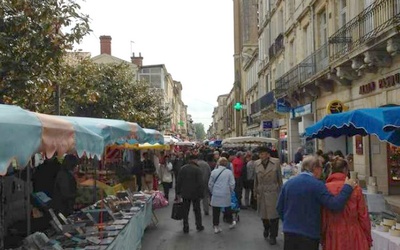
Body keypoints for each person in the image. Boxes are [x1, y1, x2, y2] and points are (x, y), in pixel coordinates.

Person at [276, 155, 357, 250]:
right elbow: (335, 204)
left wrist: (289, 222)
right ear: (315, 168)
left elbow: (279, 207)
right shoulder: (317, 185)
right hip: (309, 233)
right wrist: (347, 187)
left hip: (289, 232)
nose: (322, 171)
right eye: (321, 168)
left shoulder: (289, 183)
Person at [322, 157, 372, 250]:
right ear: (345, 170)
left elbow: (323, 217)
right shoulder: (355, 188)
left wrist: (323, 237)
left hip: (333, 235)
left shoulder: (325, 188)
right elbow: (363, 216)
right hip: (354, 234)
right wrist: (368, 238)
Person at [254, 146, 282, 245]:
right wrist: (255, 192)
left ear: (268, 154)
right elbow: (255, 180)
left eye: (263, 154)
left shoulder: (276, 162)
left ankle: (273, 236)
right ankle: (266, 228)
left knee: (274, 216)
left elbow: (280, 179)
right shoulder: (256, 164)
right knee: (264, 216)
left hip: (273, 191)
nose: (261, 155)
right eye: (260, 154)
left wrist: (281, 192)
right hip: (261, 192)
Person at [176, 154, 205, 233]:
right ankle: (199, 225)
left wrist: (178, 193)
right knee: (197, 210)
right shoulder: (198, 169)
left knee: (185, 210)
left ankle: (186, 226)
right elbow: (201, 183)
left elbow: (178, 182)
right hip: (195, 194)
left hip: (185, 193)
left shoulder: (182, 169)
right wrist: (202, 194)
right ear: (195, 160)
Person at [208, 157, 236, 234]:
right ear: (226, 164)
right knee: (227, 209)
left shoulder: (214, 172)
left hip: (216, 193)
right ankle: (230, 222)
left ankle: (216, 226)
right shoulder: (229, 172)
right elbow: (232, 184)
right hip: (226, 193)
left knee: (216, 210)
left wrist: (212, 191)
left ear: (218, 163)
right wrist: (231, 191)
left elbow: (210, 184)